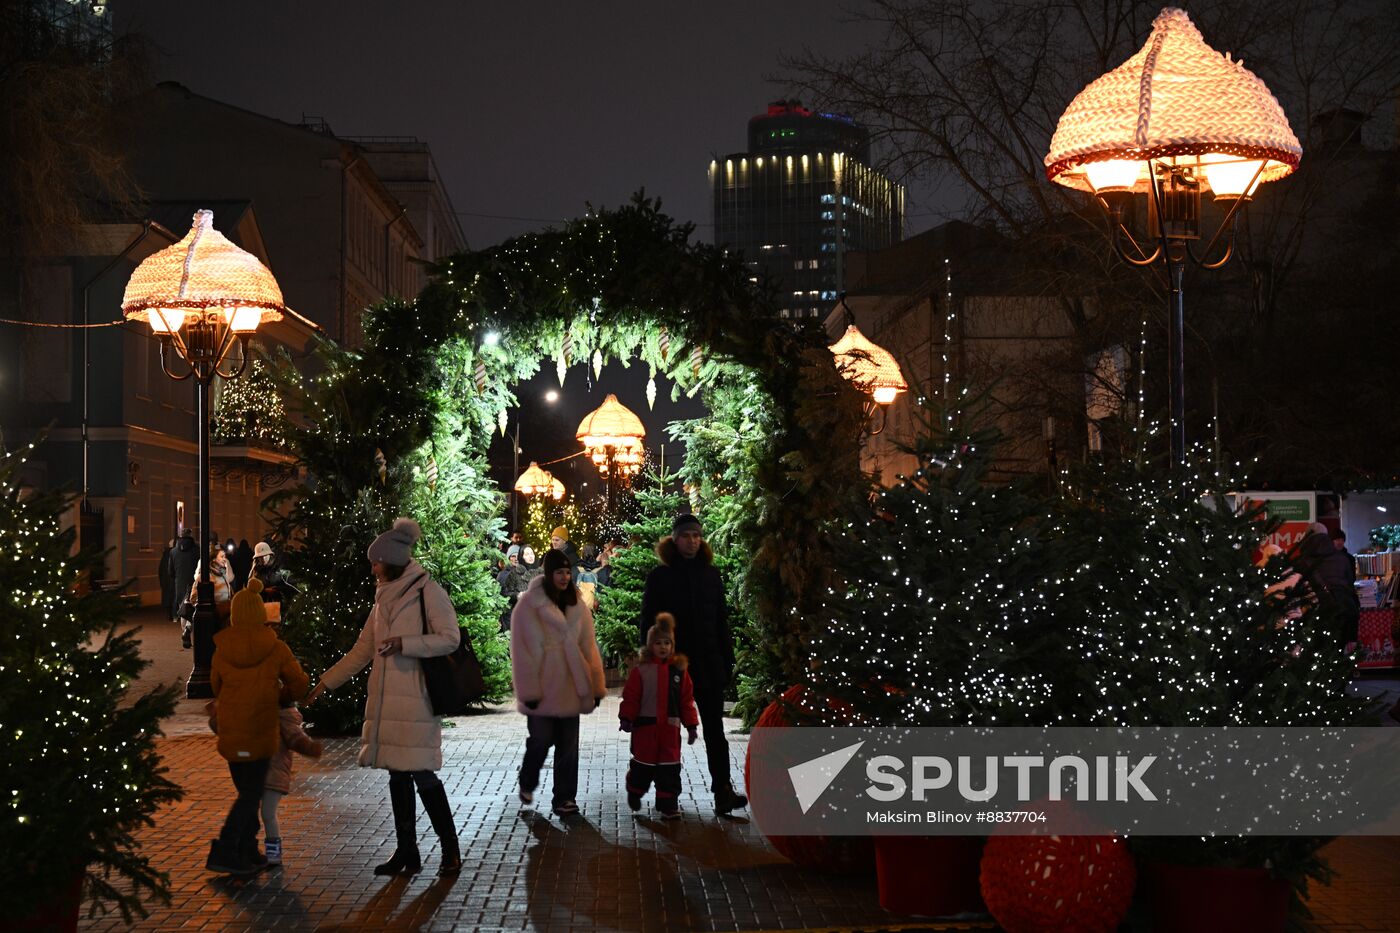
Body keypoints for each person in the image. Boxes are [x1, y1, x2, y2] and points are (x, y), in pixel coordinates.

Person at [306, 518, 463, 877]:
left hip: (417, 702)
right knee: (397, 778)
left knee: (423, 776)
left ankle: (450, 849)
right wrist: (325, 683)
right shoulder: (382, 599)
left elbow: (450, 637)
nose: (372, 567)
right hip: (387, 703)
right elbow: (363, 650)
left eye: (376, 561)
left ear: (392, 559)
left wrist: (406, 644)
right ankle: (407, 851)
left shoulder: (427, 591)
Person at [640, 513, 747, 815]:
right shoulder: (661, 577)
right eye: (687, 536)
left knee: (715, 730)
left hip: (709, 664)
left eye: (697, 536)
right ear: (675, 539)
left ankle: (723, 790)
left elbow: (720, 622)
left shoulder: (710, 575)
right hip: (673, 666)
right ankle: (668, 794)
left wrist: (726, 661)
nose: (693, 541)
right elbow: (648, 621)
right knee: (670, 731)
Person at [206, 578, 311, 875]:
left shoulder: (221, 647)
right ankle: (227, 849)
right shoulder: (275, 647)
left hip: (231, 732)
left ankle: (247, 850)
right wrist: (282, 695)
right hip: (260, 731)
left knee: (246, 792)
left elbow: (216, 685)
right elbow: (298, 683)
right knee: (251, 795)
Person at [510, 547, 607, 818]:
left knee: (568, 745)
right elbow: (520, 651)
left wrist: (596, 685)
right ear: (549, 573)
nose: (565, 577)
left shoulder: (577, 605)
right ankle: (528, 780)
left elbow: (589, 647)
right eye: (559, 572)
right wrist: (528, 690)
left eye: (567, 572)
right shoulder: (529, 606)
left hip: (570, 686)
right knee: (540, 740)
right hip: (540, 687)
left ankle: (565, 798)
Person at [618, 613, 699, 819]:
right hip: (646, 729)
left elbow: (686, 701)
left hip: (670, 731)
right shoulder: (641, 671)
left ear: (672, 645)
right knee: (642, 767)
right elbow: (631, 697)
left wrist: (691, 725)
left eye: (667, 643)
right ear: (650, 645)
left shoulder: (679, 673)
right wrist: (626, 717)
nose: (663, 647)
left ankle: (668, 803)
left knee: (669, 769)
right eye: (658, 643)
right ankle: (634, 789)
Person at [261, 687, 324, 866]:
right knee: (260, 813)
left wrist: (311, 748)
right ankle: (265, 853)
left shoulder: (283, 718)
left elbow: (296, 739)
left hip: (274, 773)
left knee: (267, 813)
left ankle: (274, 855)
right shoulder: (265, 714)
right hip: (261, 771)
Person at [1296, 522, 1361, 647]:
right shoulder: (1343, 558)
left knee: (1318, 653)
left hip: (1317, 613)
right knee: (1339, 652)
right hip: (1345, 609)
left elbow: (1298, 588)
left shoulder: (1302, 561)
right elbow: (1349, 583)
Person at [186, 537, 237, 647]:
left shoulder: (223, 574)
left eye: (225, 556)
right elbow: (194, 598)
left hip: (225, 618)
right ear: (214, 559)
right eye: (222, 557)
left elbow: (229, 592)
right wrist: (210, 610)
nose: (225, 559)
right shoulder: (205, 577)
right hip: (213, 620)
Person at [171, 530, 198, 631]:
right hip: (193, 583)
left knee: (182, 609)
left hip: (180, 584)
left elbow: (170, 571)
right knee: (193, 607)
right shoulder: (197, 550)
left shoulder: (173, 552)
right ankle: (189, 628)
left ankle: (184, 631)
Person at [159, 538, 176, 620]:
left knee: (167, 597)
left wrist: (161, 581)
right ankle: (173, 615)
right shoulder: (175, 554)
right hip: (172, 580)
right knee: (173, 597)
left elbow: (161, 569)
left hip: (166, 580)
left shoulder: (165, 555)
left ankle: (169, 614)